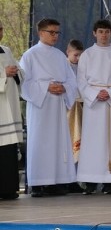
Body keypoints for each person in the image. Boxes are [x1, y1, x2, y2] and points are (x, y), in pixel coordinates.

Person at [18, 18, 78, 197]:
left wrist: (64, 87)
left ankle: (55, 182)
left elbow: (71, 80)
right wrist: (46, 87)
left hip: (57, 104)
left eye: (57, 32)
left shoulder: (60, 56)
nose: (55, 36)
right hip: (41, 106)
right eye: (52, 32)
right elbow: (24, 83)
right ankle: (37, 183)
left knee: (57, 142)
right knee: (39, 142)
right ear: (41, 33)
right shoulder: (30, 55)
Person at [76, 20, 111, 194]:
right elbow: (81, 80)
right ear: (94, 33)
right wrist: (95, 94)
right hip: (94, 105)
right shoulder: (87, 55)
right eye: (100, 31)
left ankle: (109, 181)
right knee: (92, 142)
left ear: (110, 33)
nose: (104, 35)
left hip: (110, 103)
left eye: (106, 32)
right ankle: (90, 181)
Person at [0, 21, 24, 200]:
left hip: (9, 105)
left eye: (1, 28)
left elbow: (20, 72)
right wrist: (3, 74)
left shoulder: (6, 50)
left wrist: (15, 72)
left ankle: (9, 189)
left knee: (8, 150)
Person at [65, 39, 84, 164]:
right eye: (75, 55)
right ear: (68, 52)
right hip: (68, 108)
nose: (78, 58)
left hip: (82, 106)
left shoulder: (84, 68)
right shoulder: (63, 66)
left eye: (80, 55)